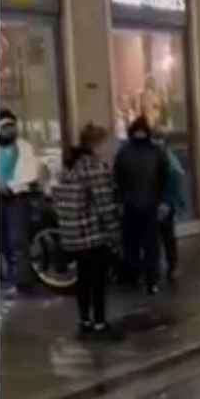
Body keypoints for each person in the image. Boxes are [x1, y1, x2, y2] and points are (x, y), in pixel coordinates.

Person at [57, 123, 123, 339]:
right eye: (106, 142)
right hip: (91, 233)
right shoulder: (94, 167)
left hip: (73, 233)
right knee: (97, 280)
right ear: (97, 144)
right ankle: (100, 323)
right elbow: (104, 204)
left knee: (83, 279)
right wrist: (115, 234)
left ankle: (84, 320)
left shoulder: (72, 165)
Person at [113, 116, 171, 294]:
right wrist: (163, 201)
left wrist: (121, 201)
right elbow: (164, 178)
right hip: (151, 204)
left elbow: (118, 179)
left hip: (131, 204)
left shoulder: (124, 152)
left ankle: (135, 276)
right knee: (151, 244)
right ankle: (151, 279)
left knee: (131, 243)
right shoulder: (157, 152)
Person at [0, 109, 41, 293]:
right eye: (4, 127)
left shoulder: (24, 147)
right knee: (1, 240)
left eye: (11, 126)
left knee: (19, 240)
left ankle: (23, 281)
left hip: (17, 198)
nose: (9, 130)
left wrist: (11, 186)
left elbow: (30, 173)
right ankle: (5, 275)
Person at [151, 128, 189, 282]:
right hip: (159, 202)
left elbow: (175, 180)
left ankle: (170, 266)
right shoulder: (164, 155)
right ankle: (166, 266)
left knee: (165, 236)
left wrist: (169, 202)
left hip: (163, 203)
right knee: (163, 237)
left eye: (158, 138)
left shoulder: (166, 156)